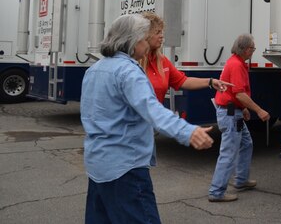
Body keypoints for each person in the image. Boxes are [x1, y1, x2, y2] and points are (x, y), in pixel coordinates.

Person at [80, 14, 214, 224]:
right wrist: (188, 131)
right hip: (125, 168)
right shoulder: (129, 72)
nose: (146, 42)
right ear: (131, 41)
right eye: (143, 38)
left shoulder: (94, 70)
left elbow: (89, 115)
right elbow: (152, 109)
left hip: (97, 165)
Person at [208, 33, 270, 202]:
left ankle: (241, 180)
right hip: (230, 114)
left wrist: (242, 109)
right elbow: (240, 94)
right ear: (244, 49)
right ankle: (216, 191)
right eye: (252, 48)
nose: (253, 51)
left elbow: (234, 94)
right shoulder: (236, 65)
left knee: (246, 143)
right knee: (228, 152)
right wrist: (259, 110)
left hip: (232, 112)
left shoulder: (235, 62)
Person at [139, 11, 229, 103]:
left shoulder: (162, 61)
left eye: (162, 32)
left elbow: (183, 81)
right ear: (146, 35)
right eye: (157, 32)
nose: (162, 36)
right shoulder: (133, 62)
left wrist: (211, 82)